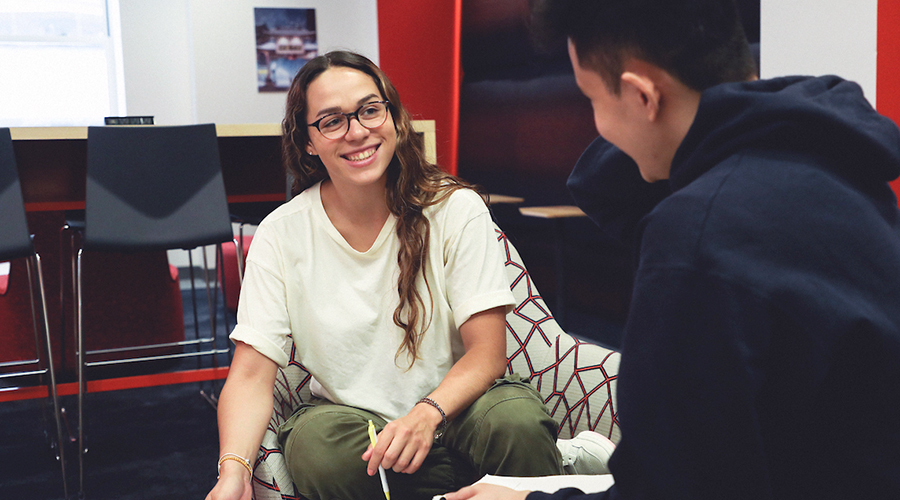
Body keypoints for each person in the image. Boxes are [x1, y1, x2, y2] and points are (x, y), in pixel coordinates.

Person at [446, 0, 900, 499]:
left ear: (642, 95)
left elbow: (671, 486)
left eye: (590, 99)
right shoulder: (826, 160)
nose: (596, 125)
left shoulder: (698, 237)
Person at [205, 50, 573, 500]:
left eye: (369, 110)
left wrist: (427, 413)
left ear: (394, 117)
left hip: (465, 407)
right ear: (307, 142)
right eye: (331, 120)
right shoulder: (281, 235)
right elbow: (249, 376)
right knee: (315, 450)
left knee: (516, 424)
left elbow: (488, 353)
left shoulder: (454, 207)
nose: (357, 131)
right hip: (357, 424)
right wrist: (234, 471)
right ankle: (500, 483)